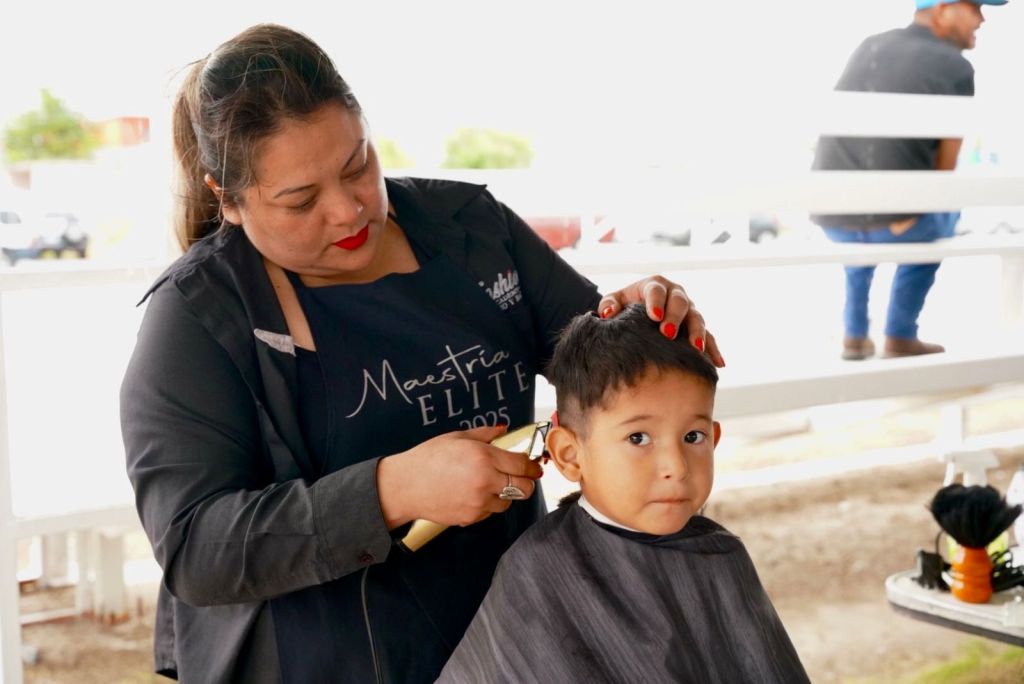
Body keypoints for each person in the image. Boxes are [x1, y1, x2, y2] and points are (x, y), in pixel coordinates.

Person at [119, 23, 724, 684]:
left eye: (358, 166)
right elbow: (196, 548)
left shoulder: (472, 230)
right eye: (301, 200)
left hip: (511, 637)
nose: (348, 210)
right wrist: (393, 490)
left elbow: (597, 368)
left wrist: (637, 324)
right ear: (227, 200)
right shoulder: (199, 315)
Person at [437, 304, 808, 683]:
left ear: (713, 439)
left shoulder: (722, 557)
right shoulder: (538, 574)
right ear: (570, 455)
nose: (676, 466)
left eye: (692, 436)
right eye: (638, 438)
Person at [811, 0, 1008, 361]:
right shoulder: (956, 66)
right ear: (942, 9)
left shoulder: (870, 44)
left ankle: (854, 333)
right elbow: (944, 173)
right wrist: (909, 208)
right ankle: (900, 334)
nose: (981, 18)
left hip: (834, 214)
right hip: (900, 223)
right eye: (975, 7)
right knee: (944, 213)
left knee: (860, 243)